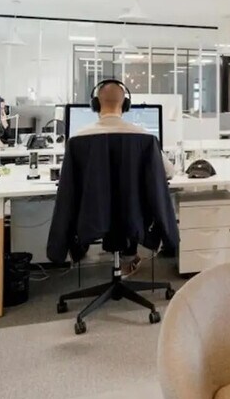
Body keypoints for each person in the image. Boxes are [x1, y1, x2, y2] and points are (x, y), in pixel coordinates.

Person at [74, 80, 175, 276]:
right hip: (134, 216)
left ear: (95, 105)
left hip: (93, 216)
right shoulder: (144, 137)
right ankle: (129, 258)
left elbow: (70, 181)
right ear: (126, 105)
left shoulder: (78, 139)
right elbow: (168, 172)